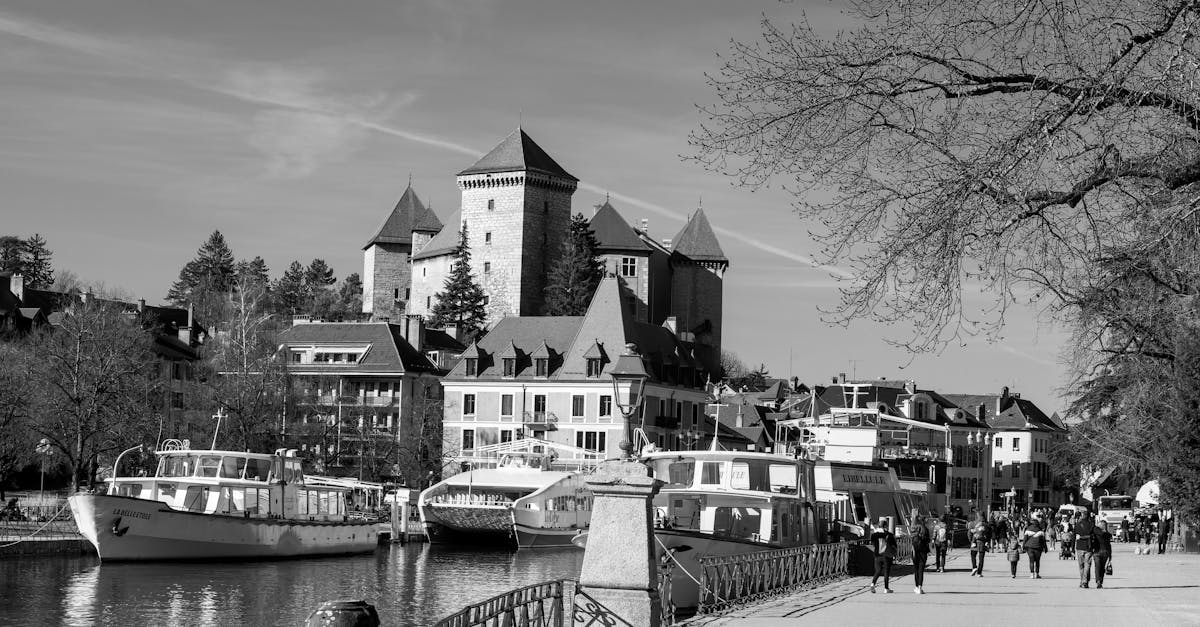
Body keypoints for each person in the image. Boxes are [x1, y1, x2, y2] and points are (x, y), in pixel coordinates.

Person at [870, 518, 898, 593]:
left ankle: (873, 584)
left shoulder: (874, 535)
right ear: (886, 526)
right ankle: (886, 588)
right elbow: (894, 545)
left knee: (878, 570)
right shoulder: (889, 535)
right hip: (886, 555)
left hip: (877, 555)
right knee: (886, 572)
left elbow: (872, 543)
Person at [1074, 511, 1098, 588]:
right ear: (1088, 516)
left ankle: (1083, 581)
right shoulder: (1092, 524)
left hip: (1079, 547)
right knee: (1087, 565)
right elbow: (1095, 536)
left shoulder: (1078, 524)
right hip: (1089, 547)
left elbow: (1073, 536)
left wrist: (1071, 548)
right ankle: (1084, 581)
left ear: (1082, 516)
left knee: (1081, 566)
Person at [910, 513, 931, 594]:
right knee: (921, 570)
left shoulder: (913, 529)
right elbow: (928, 540)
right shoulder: (925, 529)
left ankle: (916, 587)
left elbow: (911, 538)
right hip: (923, 551)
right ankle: (920, 587)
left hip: (914, 551)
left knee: (915, 569)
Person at [1094, 521, 1114, 589]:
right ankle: (1100, 581)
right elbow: (1109, 545)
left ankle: (1099, 581)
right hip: (1103, 551)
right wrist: (1110, 554)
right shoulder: (1106, 534)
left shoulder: (1097, 532)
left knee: (1098, 567)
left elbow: (1109, 544)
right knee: (1101, 567)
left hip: (1098, 551)